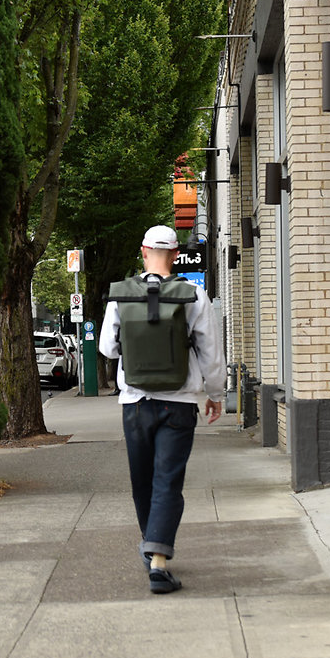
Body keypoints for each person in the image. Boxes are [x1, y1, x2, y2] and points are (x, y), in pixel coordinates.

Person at [99, 225, 226, 594]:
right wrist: (215, 394)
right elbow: (211, 353)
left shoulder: (121, 295)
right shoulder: (194, 295)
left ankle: (151, 543)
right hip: (180, 403)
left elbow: (107, 348)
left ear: (143, 251)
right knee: (168, 480)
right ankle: (158, 559)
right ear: (175, 254)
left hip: (135, 404)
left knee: (142, 481)